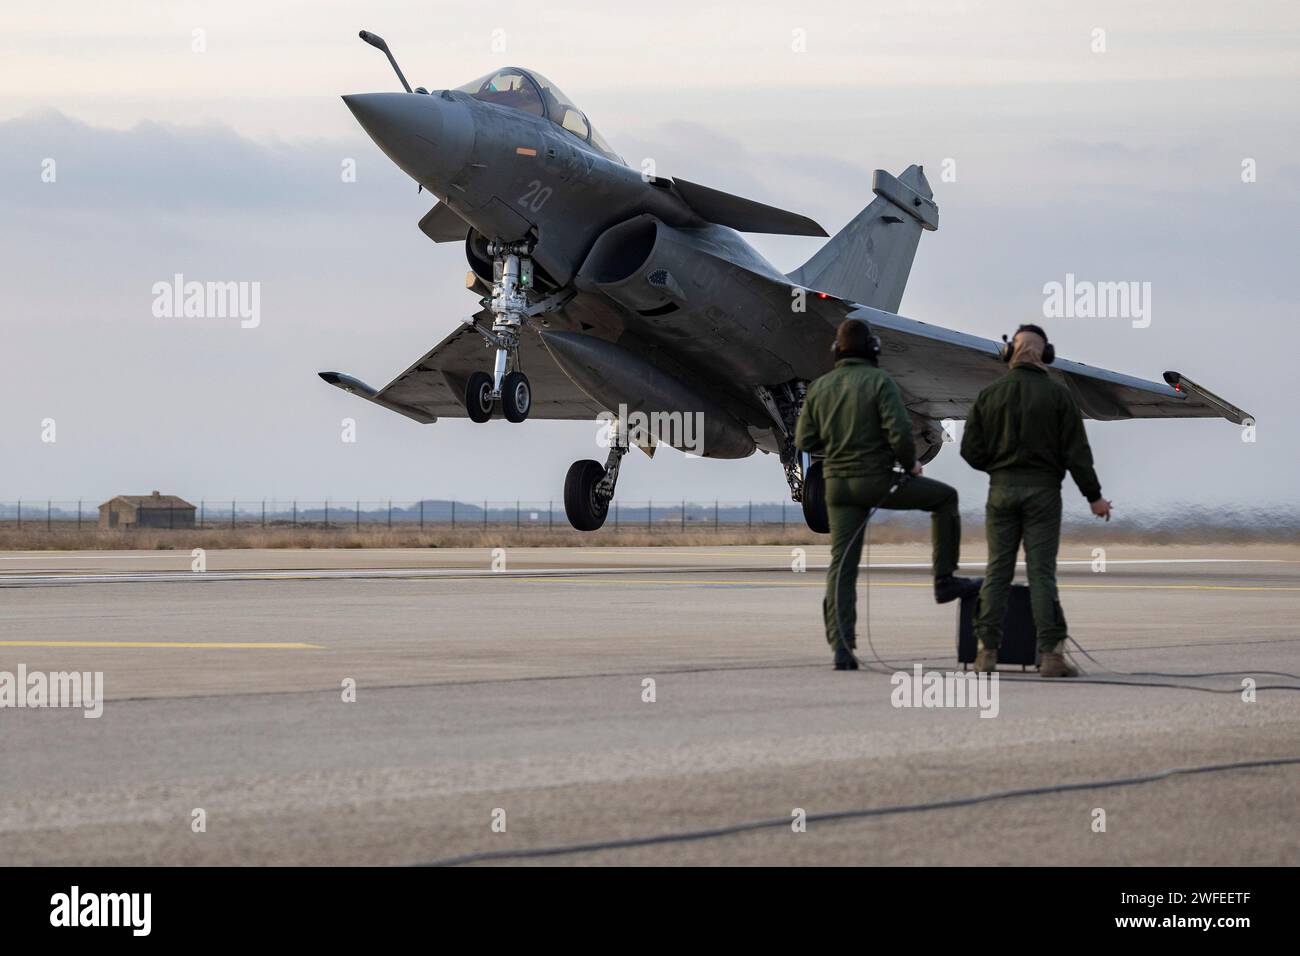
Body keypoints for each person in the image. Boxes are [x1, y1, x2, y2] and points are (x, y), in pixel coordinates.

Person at [795, 318, 977, 671]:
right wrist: (910, 465)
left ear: (837, 351)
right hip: (877, 480)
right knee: (945, 499)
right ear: (873, 351)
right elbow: (899, 433)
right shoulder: (881, 383)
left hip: (836, 486)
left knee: (841, 566)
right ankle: (945, 580)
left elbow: (805, 442)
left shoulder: (820, 388)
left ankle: (842, 650)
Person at [959, 323, 1113, 678]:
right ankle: (1051, 657)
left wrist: (997, 469)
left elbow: (970, 450)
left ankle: (986, 653)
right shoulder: (1059, 397)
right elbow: (1078, 455)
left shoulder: (990, 394)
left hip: (1001, 492)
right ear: (1046, 354)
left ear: (1010, 352)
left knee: (997, 571)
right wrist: (1095, 498)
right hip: (1044, 494)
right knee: (1042, 574)